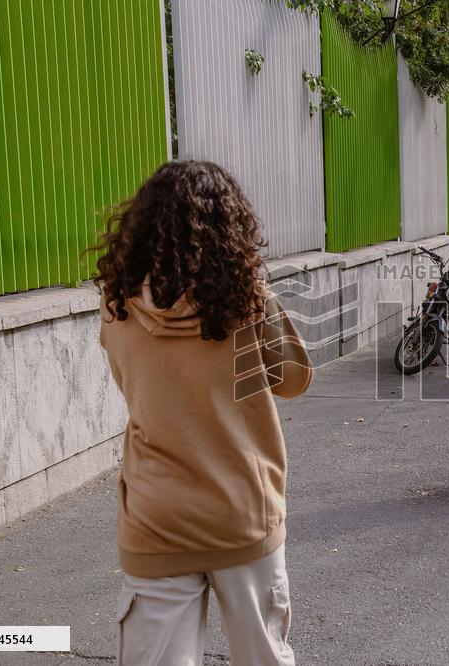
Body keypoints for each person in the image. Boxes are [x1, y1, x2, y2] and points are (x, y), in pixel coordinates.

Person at [96, 160, 312, 666]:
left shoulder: (117, 307)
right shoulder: (247, 302)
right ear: (231, 228)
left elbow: (129, 385)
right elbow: (293, 380)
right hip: (240, 510)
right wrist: (260, 291)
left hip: (156, 516)